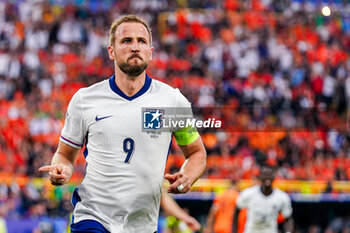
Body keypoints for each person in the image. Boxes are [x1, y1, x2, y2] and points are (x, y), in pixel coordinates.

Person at [39, 15, 206, 233]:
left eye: (141, 41)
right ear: (111, 51)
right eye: (127, 41)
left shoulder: (171, 101)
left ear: (150, 52)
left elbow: (196, 153)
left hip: (142, 224)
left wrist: (188, 176)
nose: (135, 47)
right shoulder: (85, 100)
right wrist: (62, 169)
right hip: (92, 217)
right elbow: (65, 155)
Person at [232, 166, 293, 233]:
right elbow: (236, 211)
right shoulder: (248, 194)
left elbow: (288, 217)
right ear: (260, 177)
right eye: (265, 175)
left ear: (274, 177)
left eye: (270, 175)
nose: (267, 177)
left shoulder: (281, 197)